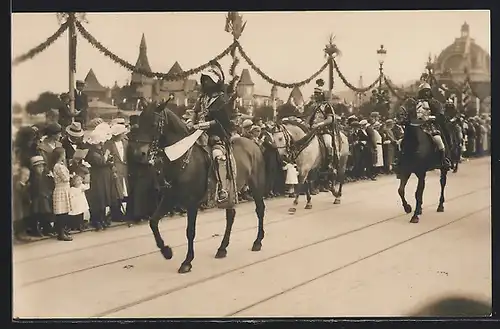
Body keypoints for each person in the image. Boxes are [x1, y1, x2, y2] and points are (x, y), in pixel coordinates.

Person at [185, 61, 236, 204]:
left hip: (216, 134)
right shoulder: (202, 98)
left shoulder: (223, 100)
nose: (206, 83)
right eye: (204, 80)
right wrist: (191, 122)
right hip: (196, 132)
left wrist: (205, 125)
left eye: (208, 80)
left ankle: (223, 189)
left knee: (217, 155)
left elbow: (223, 122)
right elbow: (194, 112)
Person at [413, 82, 452, 169]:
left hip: (430, 126)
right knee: (404, 140)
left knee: (438, 141)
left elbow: (440, 114)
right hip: (417, 125)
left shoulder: (435, 102)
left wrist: (431, 117)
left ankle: (443, 161)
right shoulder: (415, 103)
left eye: (427, 91)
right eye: (424, 91)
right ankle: (400, 161)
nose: (426, 93)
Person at [307, 80, 337, 171]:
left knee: (328, 144)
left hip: (324, 130)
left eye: (317, 94)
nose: (315, 96)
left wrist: (319, 124)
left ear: (321, 95)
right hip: (312, 130)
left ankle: (330, 163)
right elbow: (308, 118)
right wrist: (306, 124)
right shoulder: (312, 106)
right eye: (314, 94)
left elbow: (330, 119)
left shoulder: (326, 106)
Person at [105, 123, 130, 222]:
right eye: (122, 133)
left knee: (125, 191)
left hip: (125, 169)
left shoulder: (125, 142)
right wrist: (112, 168)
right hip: (116, 170)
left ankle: (125, 212)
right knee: (116, 192)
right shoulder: (109, 144)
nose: (124, 134)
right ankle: (116, 213)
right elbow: (107, 158)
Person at [29, 156, 55, 237]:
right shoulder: (33, 178)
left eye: (42, 166)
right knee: (38, 214)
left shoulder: (45, 177)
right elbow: (34, 190)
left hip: (45, 198)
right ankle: (36, 229)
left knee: (46, 213)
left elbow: (48, 186)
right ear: (34, 168)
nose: (41, 168)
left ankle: (46, 228)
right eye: (38, 167)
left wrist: (48, 193)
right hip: (38, 199)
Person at [51, 147, 73, 241]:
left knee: (65, 212)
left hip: (64, 189)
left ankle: (63, 230)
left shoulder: (61, 165)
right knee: (61, 212)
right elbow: (65, 178)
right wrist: (71, 175)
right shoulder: (58, 166)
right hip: (61, 189)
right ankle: (61, 233)